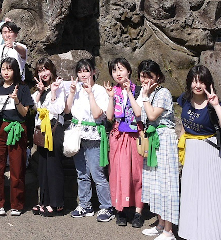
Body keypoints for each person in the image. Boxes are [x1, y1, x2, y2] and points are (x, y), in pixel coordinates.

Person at [176, 65, 221, 240]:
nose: (197, 85)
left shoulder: (213, 103)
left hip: (209, 151)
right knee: (191, 193)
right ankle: (191, 232)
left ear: (208, 83)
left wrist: (216, 105)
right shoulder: (184, 100)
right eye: (194, 80)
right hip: (192, 151)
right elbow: (184, 124)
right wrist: (180, 147)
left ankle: (217, 233)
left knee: (213, 194)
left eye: (201, 80)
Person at [126, 60, 179, 240]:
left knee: (166, 184)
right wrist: (132, 94)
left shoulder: (163, 92)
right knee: (154, 182)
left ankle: (169, 231)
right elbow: (138, 113)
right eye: (142, 75)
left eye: (149, 75)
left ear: (158, 77)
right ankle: (160, 224)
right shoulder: (146, 92)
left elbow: (152, 115)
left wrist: (146, 96)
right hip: (152, 138)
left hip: (164, 140)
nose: (145, 79)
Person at [65, 58, 114, 222]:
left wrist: (90, 93)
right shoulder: (76, 88)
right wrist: (72, 92)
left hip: (94, 135)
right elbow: (67, 110)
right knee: (82, 173)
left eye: (86, 70)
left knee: (97, 173)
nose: (83, 74)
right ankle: (85, 205)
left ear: (93, 71)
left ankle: (107, 207)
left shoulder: (100, 90)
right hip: (78, 134)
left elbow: (97, 115)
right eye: (80, 71)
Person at [0, 57, 34, 216]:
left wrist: (17, 100)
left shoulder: (23, 88)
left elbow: (25, 113)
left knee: (17, 167)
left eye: (9, 69)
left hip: (17, 128)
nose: (6, 72)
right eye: (3, 69)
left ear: (15, 71)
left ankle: (17, 204)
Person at [104, 58, 144, 228]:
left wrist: (128, 93)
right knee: (118, 173)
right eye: (114, 70)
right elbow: (109, 117)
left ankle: (138, 212)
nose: (118, 73)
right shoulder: (114, 91)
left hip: (135, 136)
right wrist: (111, 98)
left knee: (137, 175)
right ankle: (120, 210)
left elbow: (139, 113)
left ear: (129, 71)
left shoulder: (139, 90)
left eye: (121, 69)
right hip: (118, 135)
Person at [31, 58, 66, 216]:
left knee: (53, 165)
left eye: (46, 69)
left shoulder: (59, 85)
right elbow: (32, 107)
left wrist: (53, 91)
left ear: (52, 70)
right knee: (43, 166)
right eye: (40, 71)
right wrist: (40, 91)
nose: (43, 73)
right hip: (42, 130)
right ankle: (44, 201)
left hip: (54, 128)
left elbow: (59, 108)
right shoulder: (41, 88)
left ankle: (57, 203)